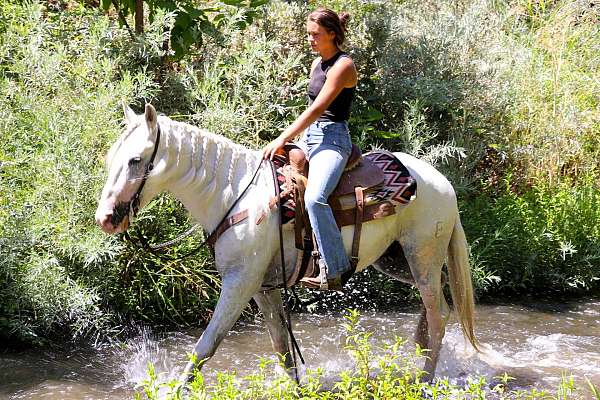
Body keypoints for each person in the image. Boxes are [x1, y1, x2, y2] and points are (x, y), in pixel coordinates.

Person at [262, 7, 358, 291]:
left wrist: (282, 137)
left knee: (316, 197)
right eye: (308, 34)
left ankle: (336, 267)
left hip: (334, 140)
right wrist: (292, 143)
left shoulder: (344, 66)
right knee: (269, 169)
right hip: (312, 137)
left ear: (332, 34)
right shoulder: (316, 64)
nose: (310, 40)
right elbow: (309, 110)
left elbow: (318, 109)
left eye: (315, 35)